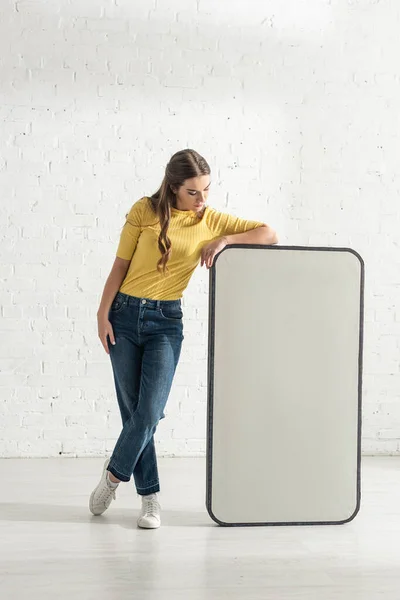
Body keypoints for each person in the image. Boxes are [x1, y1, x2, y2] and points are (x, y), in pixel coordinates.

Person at [89, 149, 278, 528]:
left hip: (166, 322)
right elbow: (119, 267)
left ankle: (112, 476)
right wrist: (101, 314)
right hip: (124, 317)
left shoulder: (209, 218)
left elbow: (269, 234)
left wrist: (224, 240)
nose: (202, 200)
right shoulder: (143, 211)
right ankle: (151, 499)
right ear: (174, 187)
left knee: (147, 413)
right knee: (135, 414)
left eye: (207, 190)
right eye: (193, 192)